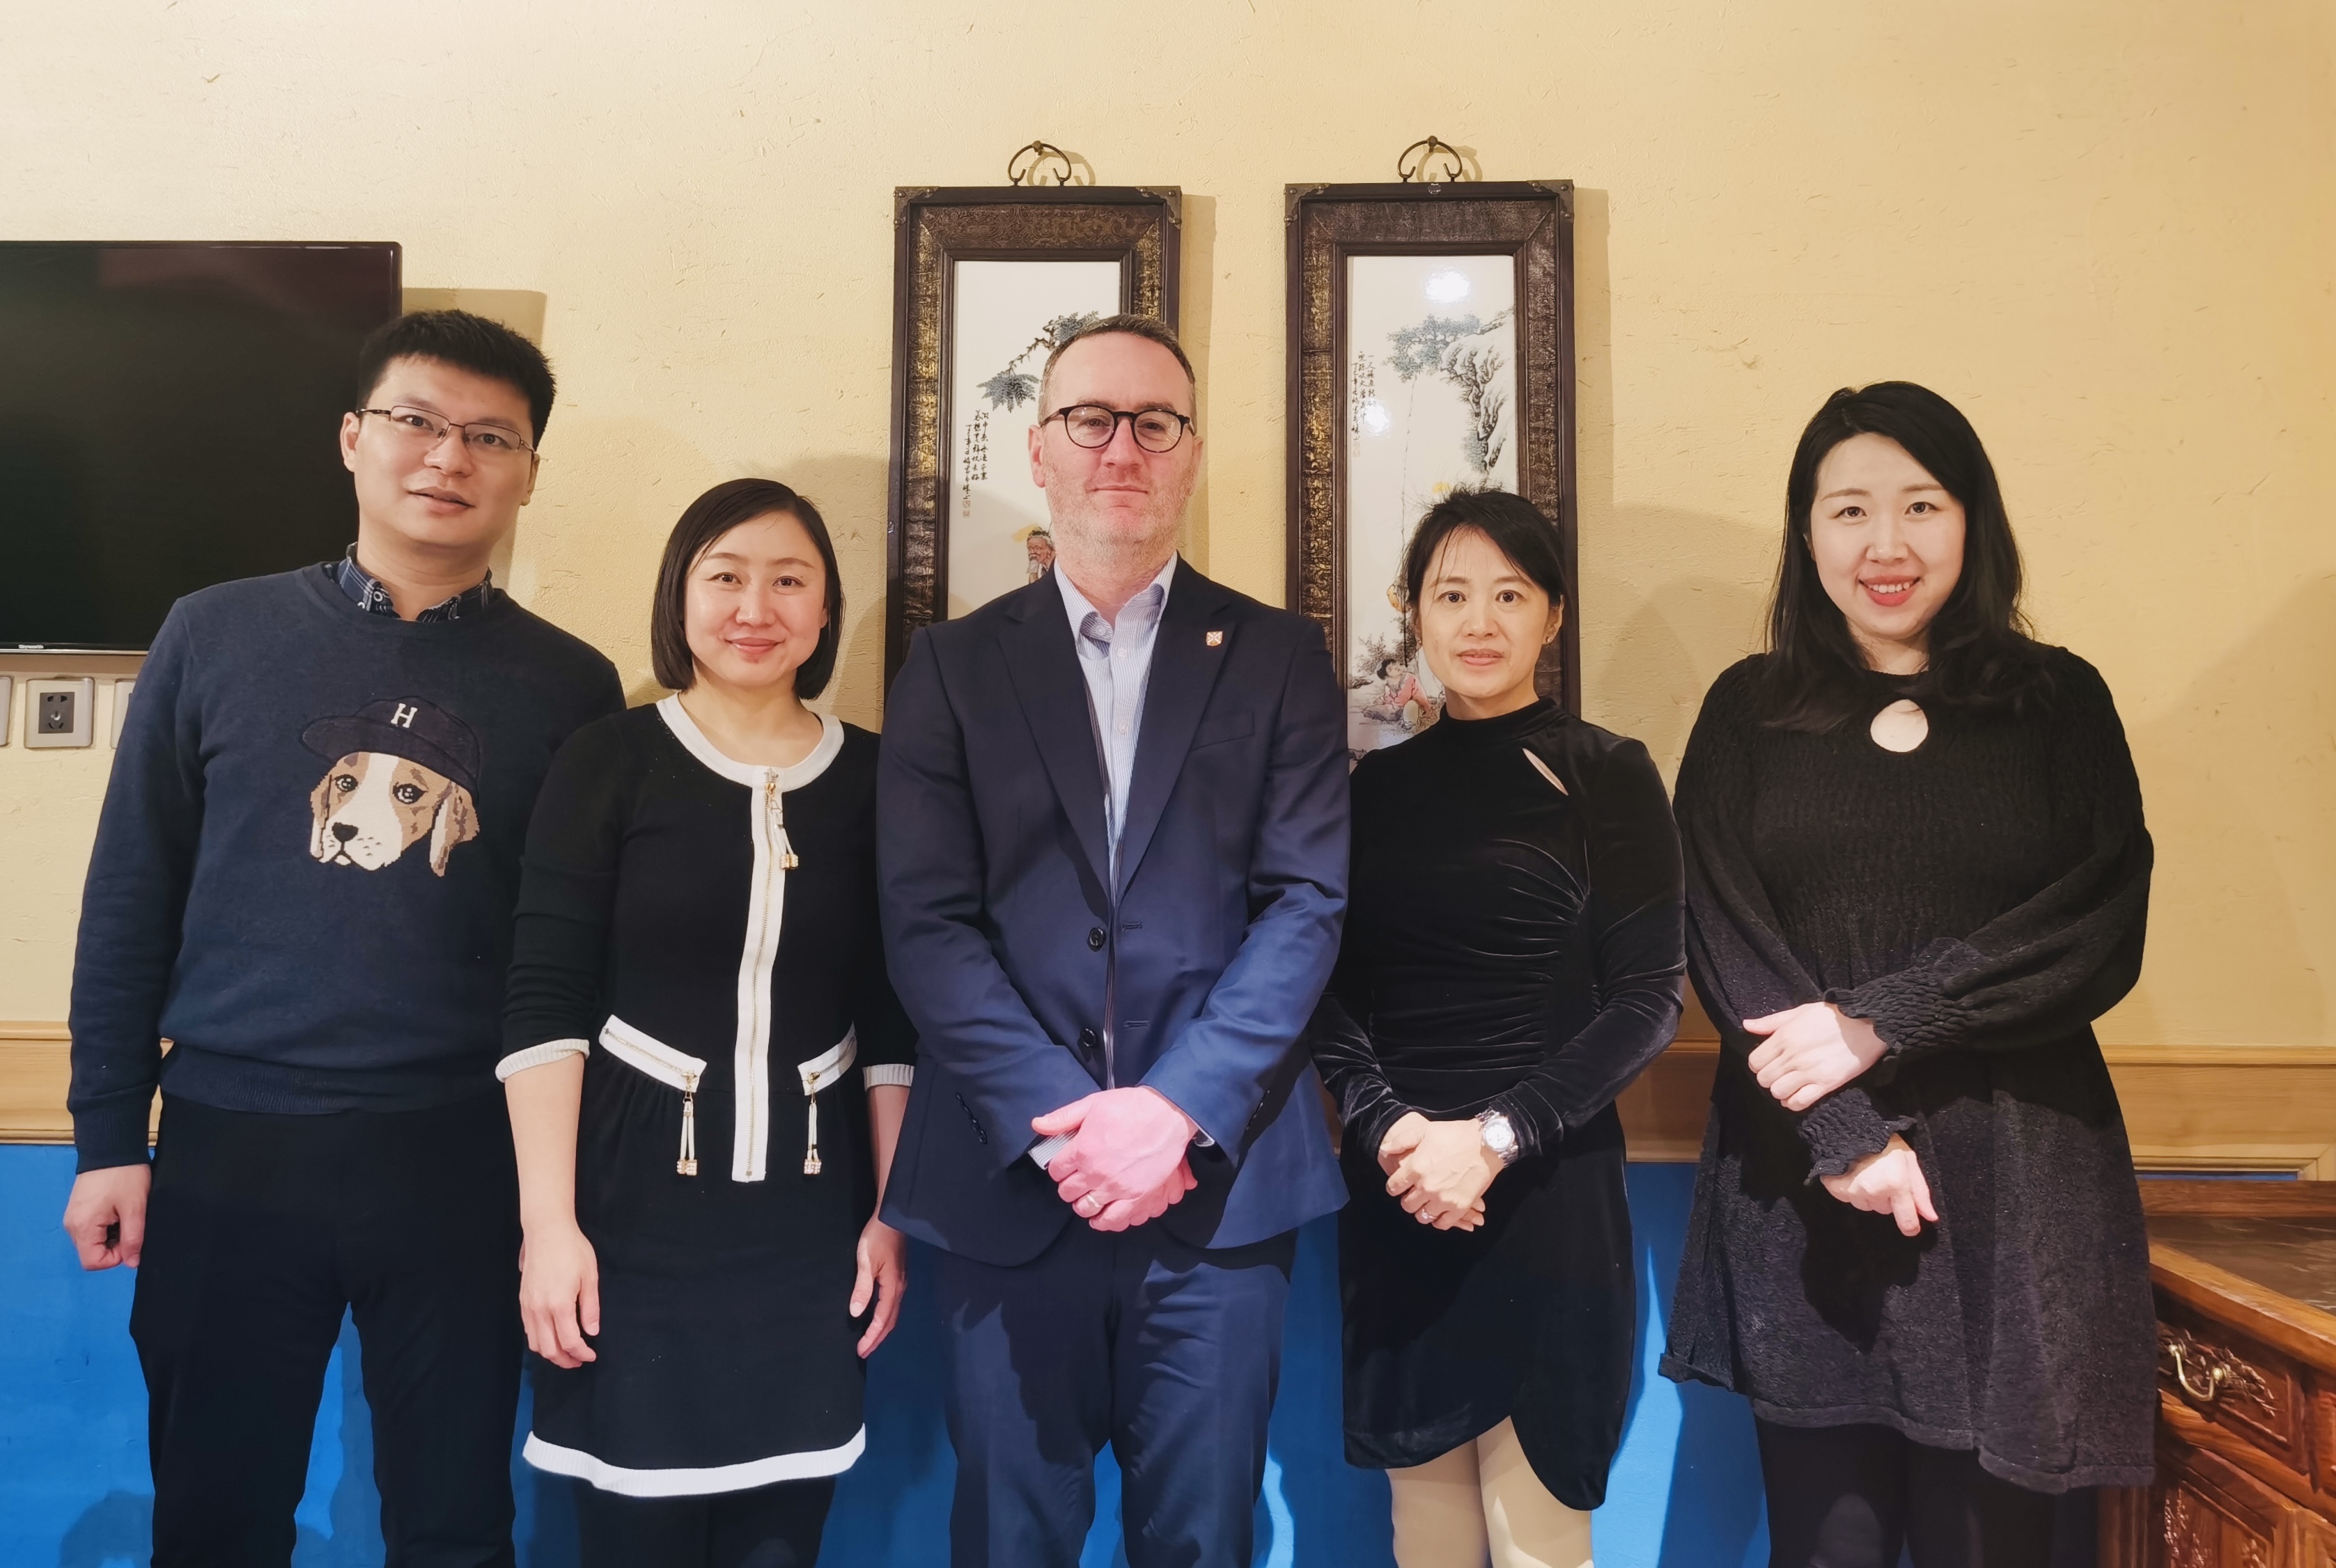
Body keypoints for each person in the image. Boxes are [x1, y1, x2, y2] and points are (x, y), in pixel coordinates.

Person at [60, 309, 623, 1566]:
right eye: (417, 421)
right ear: (354, 438)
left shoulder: (570, 684)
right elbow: (132, 893)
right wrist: (106, 1138)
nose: (448, 457)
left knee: (455, 1523)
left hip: (460, 1153)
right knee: (214, 1518)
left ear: (528, 471)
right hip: (230, 1143)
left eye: (490, 436)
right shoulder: (212, 632)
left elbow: (572, 953)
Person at [876, 314, 1351, 1567]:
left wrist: (1173, 1112)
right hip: (1007, 1178)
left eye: (1154, 422)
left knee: (1203, 1540)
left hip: (1217, 1189)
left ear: (1192, 452)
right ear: (1040, 450)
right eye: (1090, 420)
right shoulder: (950, 667)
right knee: (1007, 1542)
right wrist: (1066, 1125)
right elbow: (925, 921)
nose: (1121, 448)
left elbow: (1305, 904)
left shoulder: (1279, 657)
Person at [1660, 382, 2156, 1568]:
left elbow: (2096, 922)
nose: (1884, 545)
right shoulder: (1747, 710)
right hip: (1806, 1180)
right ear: (1805, 533)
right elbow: (1723, 937)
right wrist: (1843, 1134)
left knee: (1991, 1542)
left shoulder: (2058, 703)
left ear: (1972, 519)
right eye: (1848, 511)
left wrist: (1884, 1020)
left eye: (1920, 505)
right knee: (1824, 1542)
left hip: (2015, 1184)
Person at [499, 478, 912, 1568]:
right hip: (626, 1227)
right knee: (633, 1534)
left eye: (790, 581)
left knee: (782, 1540)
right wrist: (549, 1228)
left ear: (826, 611)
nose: (755, 608)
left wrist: (892, 1216)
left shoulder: (879, 777)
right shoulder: (608, 760)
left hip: (813, 1231)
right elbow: (544, 1001)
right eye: (725, 577)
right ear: (678, 597)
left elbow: (893, 1018)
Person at [1311, 489, 1684, 1568]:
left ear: (1552, 615)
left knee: (1539, 1541)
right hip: (1399, 1189)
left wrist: (1492, 1139)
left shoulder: (1605, 771)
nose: (1478, 622)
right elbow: (1325, 990)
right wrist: (1389, 1130)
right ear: (1412, 614)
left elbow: (1648, 997)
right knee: (1423, 1533)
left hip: (1547, 1192)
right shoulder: (1370, 788)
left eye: (1509, 596)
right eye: (1451, 595)